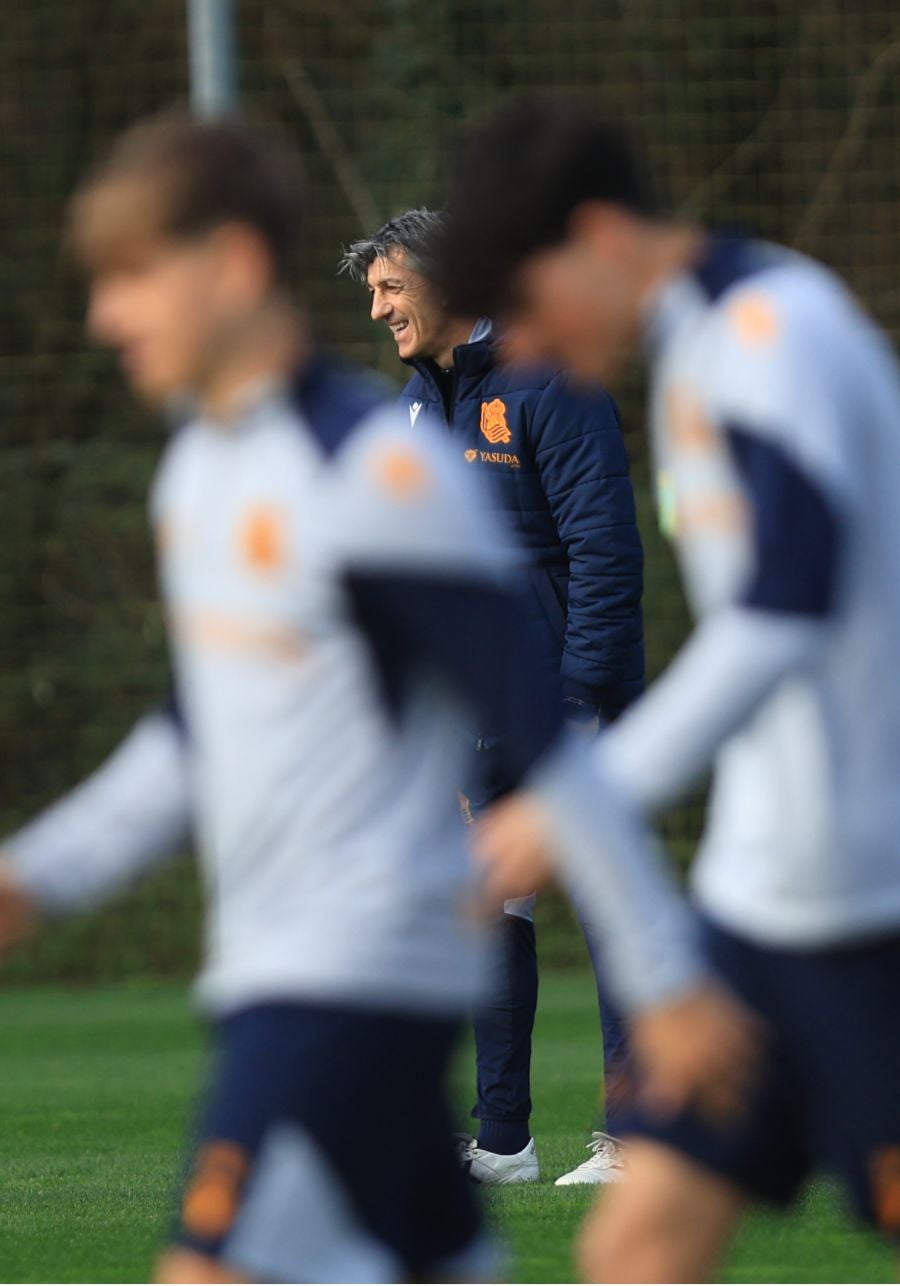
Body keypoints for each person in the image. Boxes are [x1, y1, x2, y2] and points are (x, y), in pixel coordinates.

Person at [0, 113, 759, 1284]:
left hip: (347, 967)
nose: (106, 315)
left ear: (235, 266)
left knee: (208, 1267)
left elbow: (546, 727)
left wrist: (663, 973)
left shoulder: (378, 474)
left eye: (133, 277)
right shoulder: (203, 468)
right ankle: (498, 1148)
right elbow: (199, 730)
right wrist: (36, 874)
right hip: (280, 966)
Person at [440, 93, 900, 1282]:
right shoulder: (697, 346)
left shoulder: (773, 338)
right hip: (765, 904)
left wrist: (576, 792)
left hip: (873, 901)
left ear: (597, 238)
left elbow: (781, 618)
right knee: (638, 1246)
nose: (525, 349)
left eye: (529, 308)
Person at [339, 209, 644, 1186]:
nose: (378, 308)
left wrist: (581, 698)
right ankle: (503, 1142)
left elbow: (605, 550)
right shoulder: (414, 407)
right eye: (373, 293)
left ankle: (639, 1138)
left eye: (391, 287)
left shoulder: (549, 380)